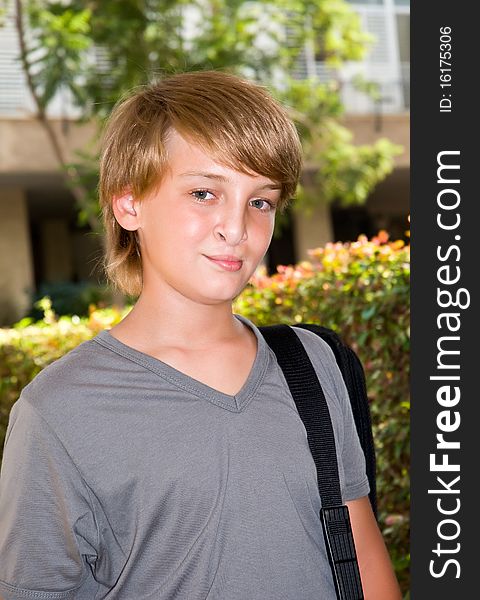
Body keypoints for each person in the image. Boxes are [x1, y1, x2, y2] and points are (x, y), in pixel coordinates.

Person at [0, 70, 401, 599]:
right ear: (129, 204)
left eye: (260, 201)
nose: (235, 228)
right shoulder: (60, 408)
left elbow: (361, 560)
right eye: (205, 192)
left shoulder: (312, 363)